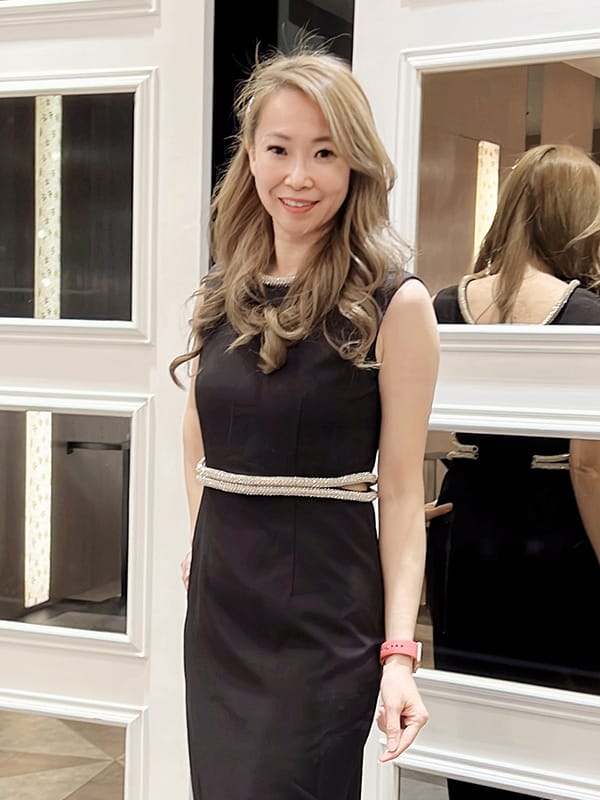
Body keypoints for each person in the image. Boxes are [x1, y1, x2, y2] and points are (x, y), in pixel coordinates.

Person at [169, 42, 440, 800]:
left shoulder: (395, 303)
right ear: (250, 157)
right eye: (279, 149)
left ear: (355, 165)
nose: (298, 176)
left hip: (323, 618)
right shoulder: (223, 290)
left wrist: (399, 654)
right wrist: (203, 540)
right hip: (222, 616)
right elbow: (196, 435)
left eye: (325, 152)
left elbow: (401, 494)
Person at [427, 143, 600, 800]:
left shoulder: (444, 305)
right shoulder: (587, 316)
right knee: (560, 730)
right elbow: (587, 465)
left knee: (472, 718)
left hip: (463, 523)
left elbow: (393, 422)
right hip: (553, 528)